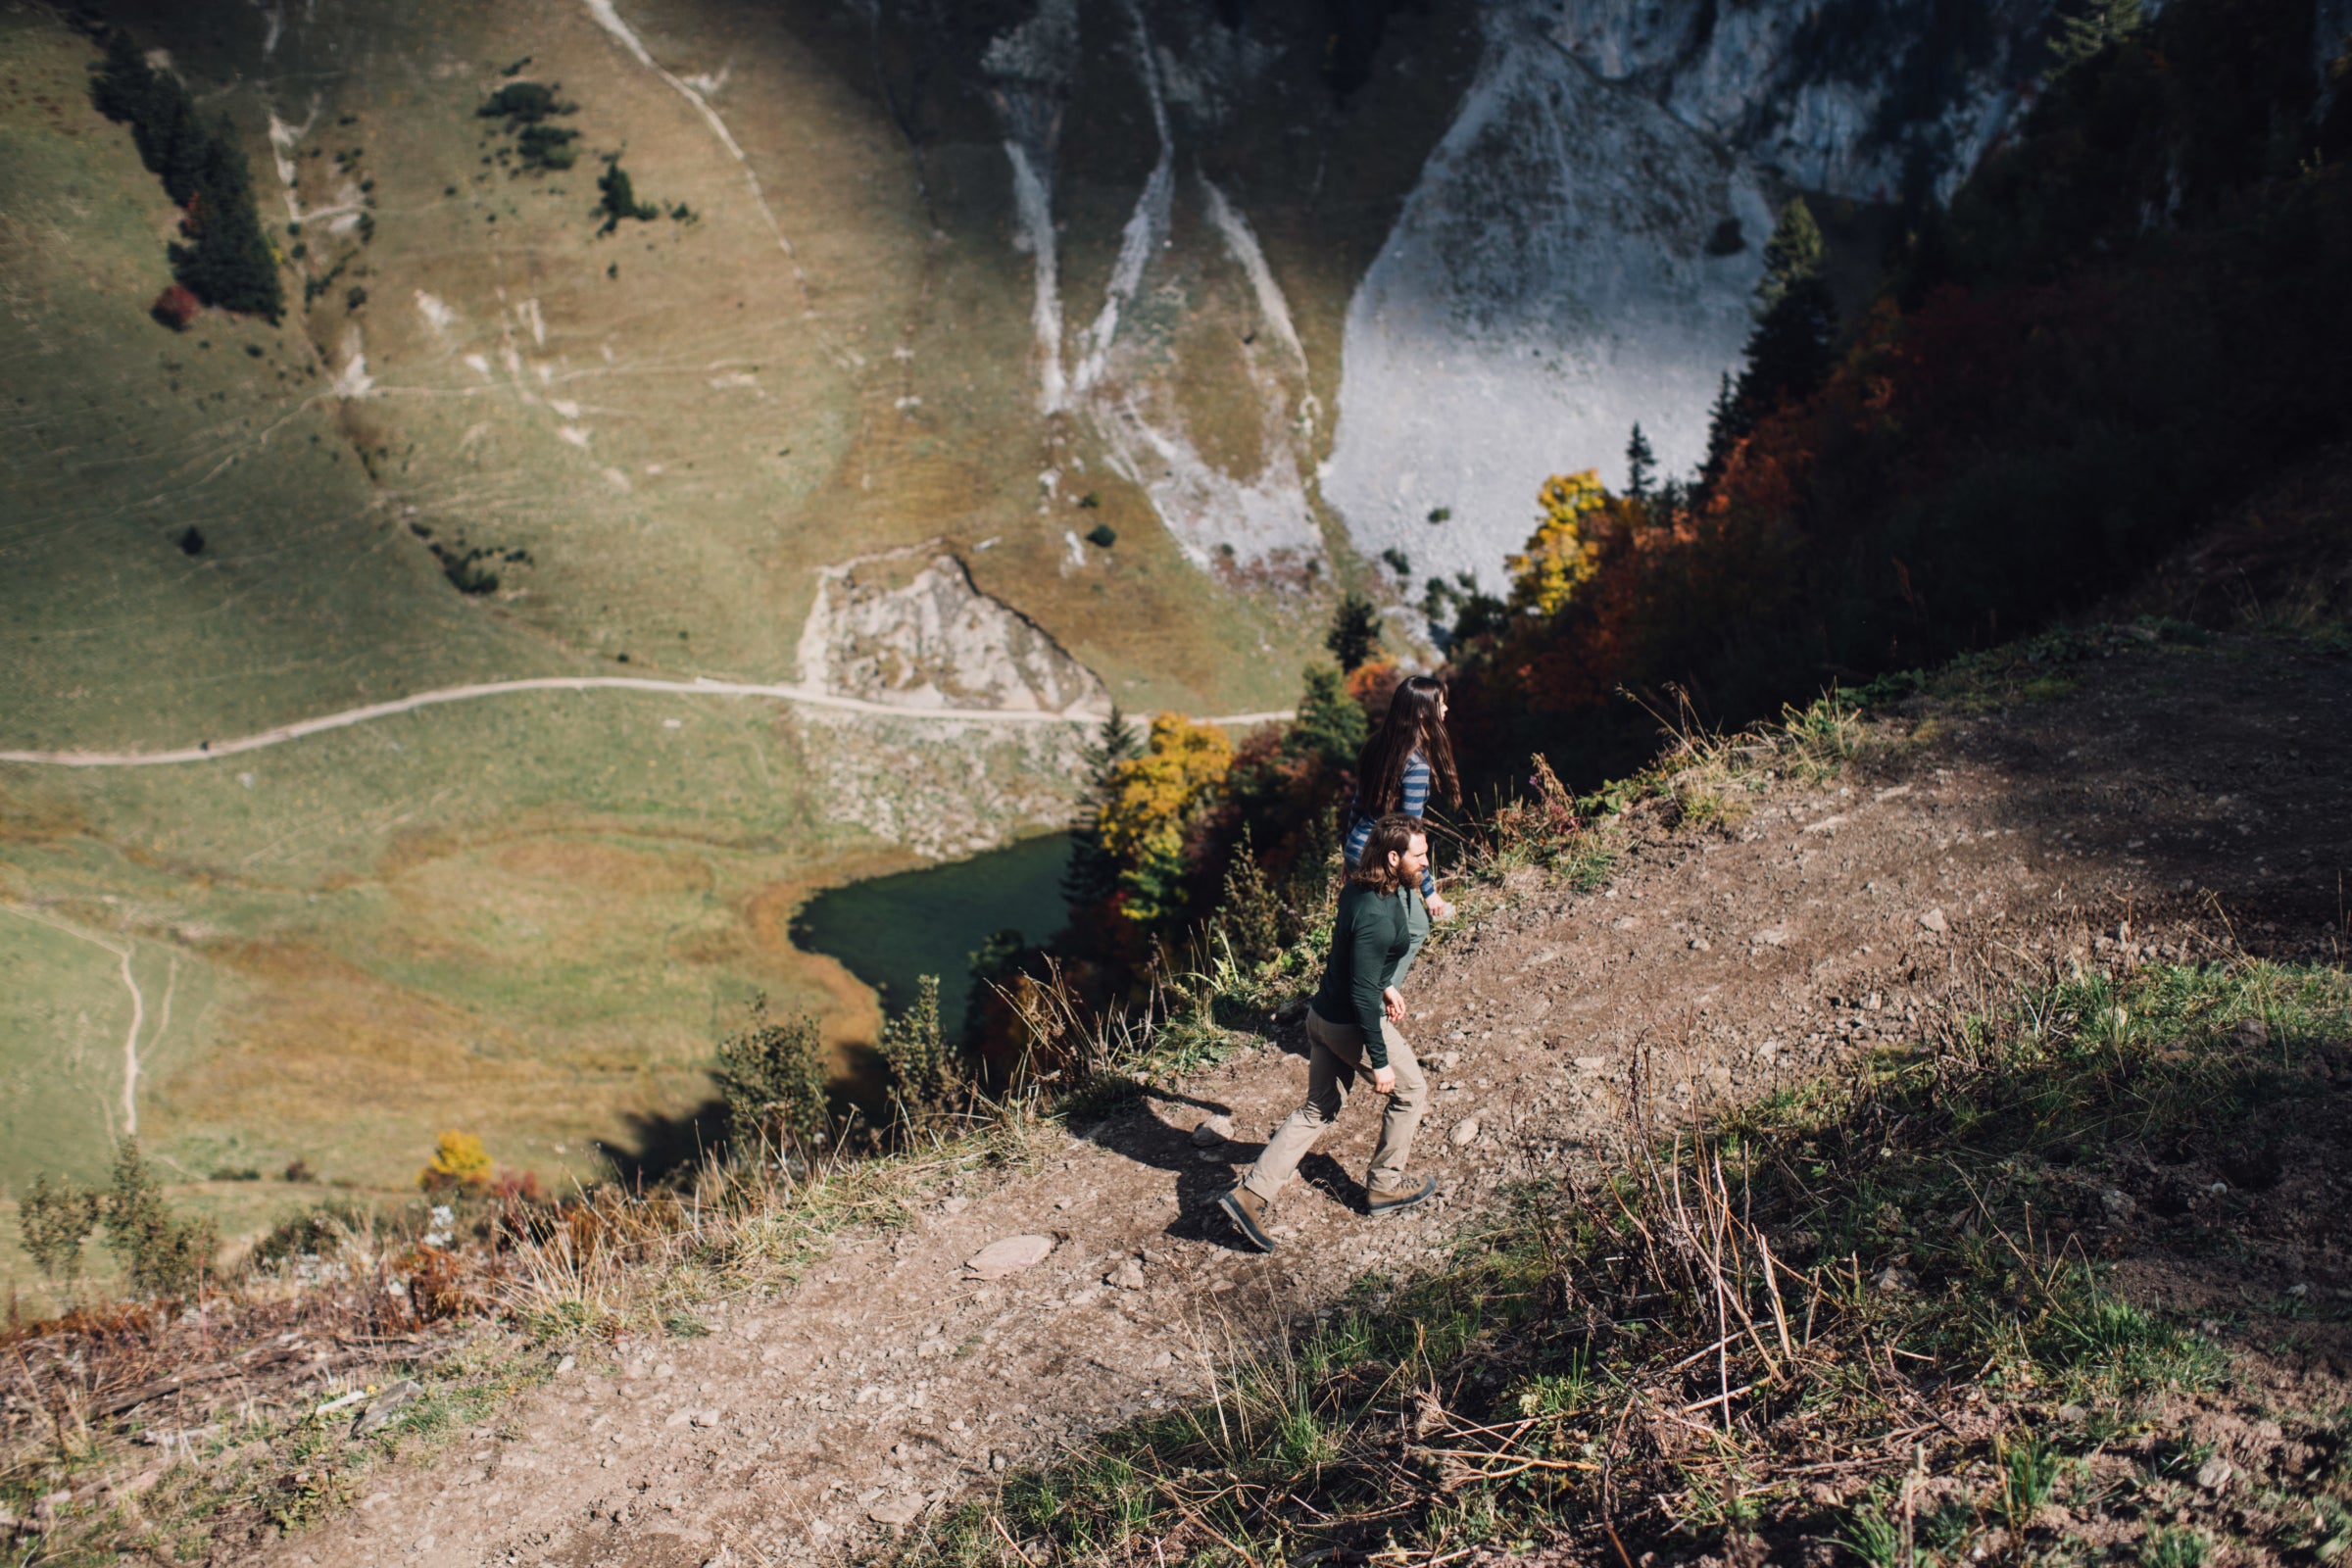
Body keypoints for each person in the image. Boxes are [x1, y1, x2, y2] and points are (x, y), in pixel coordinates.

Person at [1218, 814, 1436, 1251]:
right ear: (1393, 857)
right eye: (1419, 855)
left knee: (1320, 1107)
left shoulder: (1364, 888)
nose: (1426, 863)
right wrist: (1378, 1061)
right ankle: (1384, 1187)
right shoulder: (1376, 910)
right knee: (1412, 1092)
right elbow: (1360, 993)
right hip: (1348, 1023)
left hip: (1321, 1016)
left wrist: (1387, 985)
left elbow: (1355, 960)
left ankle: (1249, 1195)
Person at [1344, 674, 1458, 923]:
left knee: (1372, 929)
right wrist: (1430, 894)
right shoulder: (1416, 765)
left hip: (1358, 850)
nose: (1446, 708)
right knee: (1415, 928)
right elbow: (1410, 835)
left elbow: (1357, 805)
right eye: (1440, 703)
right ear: (1421, 713)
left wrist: (1348, 852)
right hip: (1379, 859)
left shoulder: (1378, 745)